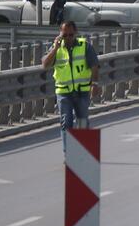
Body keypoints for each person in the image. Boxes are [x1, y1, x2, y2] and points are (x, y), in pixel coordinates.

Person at [42, 21, 100, 151]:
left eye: (70, 35)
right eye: (65, 35)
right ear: (60, 34)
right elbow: (45, 64)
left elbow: (94, 66)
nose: (68, 38)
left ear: (75, 33)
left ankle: (83, 154)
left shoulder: (85, 46)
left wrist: (95, 84)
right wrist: (55, 48)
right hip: (64, 92)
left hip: (82, 91)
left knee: (82, 122)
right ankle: (69, 154)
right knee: (66, 122)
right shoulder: (57, 48)